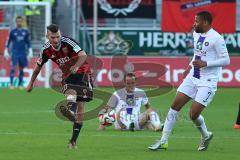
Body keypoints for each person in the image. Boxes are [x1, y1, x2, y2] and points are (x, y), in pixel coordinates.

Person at [148, 11, 230, 151]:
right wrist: (190, 66)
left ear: (205, 22)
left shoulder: (217, 38)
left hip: (208, 80)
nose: (194, 24)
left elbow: (226, 60)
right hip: (193, 75)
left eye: (197, 21)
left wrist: (206, 64)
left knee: (193, 114)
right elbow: (197, 54)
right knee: (175, 105)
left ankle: (206, 135)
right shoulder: (196, 33)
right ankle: (163, 141)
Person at [26, 24, 93, 149]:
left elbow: (83, 55)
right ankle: (70, 110)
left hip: (83, 73)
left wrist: (77, 66)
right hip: (68, 75)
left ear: (60, 34)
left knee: (81, 111)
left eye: (58, 37)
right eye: (53, 37)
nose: (56, 40)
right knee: (70, 92)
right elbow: (37, 68)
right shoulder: (45, 50)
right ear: (47, 36)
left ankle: (73, 141)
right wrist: (31, 83)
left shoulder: (68, 42)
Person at [98, 72, 163, 131]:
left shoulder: (141, 92)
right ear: (124, 82)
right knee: (122, 111)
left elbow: (148, 107)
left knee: (150, 111)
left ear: (136, 82)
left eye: (133, 83)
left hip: (137, 121)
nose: (131, 85)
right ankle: (129, 125)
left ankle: (158, 126)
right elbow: (107, 109)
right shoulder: (117, 94)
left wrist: (148, 118)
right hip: (121, 124)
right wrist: (102, 125)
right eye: (128, 83)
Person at [4, 16, 33, 89]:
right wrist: (6, 50)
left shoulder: (25, 32)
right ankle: (11, 84)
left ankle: (20, 84)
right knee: (13, 68)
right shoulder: (13, 31)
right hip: (15, 52)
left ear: (22, 22)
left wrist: (30, 51)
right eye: (17, 21)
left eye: (20, 21)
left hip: (22, 52)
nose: (19, 22)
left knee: (21, 69)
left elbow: (28, 42)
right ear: (16, 22)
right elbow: (8, 41)